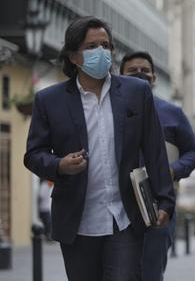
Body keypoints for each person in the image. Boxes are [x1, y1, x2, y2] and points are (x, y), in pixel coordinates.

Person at [23, 16, 175, 281]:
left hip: (125, 219)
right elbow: (33, 155)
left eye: (106, 45)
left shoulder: (136, 92)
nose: (101, 52)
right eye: (92, 47)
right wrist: (59, 165)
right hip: (76, 222)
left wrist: (165, 200)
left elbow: (154, 150)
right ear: (73, 57)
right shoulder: (49, 100)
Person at [120, 51, 195, 281]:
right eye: (132, 71)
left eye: (145, 71)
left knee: (150, 273)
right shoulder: (110, 111)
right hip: (118, 206)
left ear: (154, 78)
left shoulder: (172, 113)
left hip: (158, 206)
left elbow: (193, 152)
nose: (140, 74)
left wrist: (173, 170)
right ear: (120, 76)